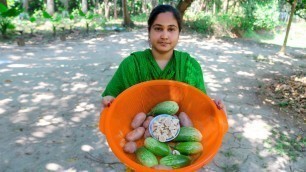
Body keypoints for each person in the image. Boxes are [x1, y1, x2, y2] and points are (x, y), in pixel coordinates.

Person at [101, 4, 226, 113]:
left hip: (179, 136)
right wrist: (109, 101)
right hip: (137, 132)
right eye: (158, 28)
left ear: (179, 33)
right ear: (149, 31)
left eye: (171, 29)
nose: (164, 36)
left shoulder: (190, 66)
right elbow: (112, 98)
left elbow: (200, 106)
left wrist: (214, 106)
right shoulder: (131, 65)